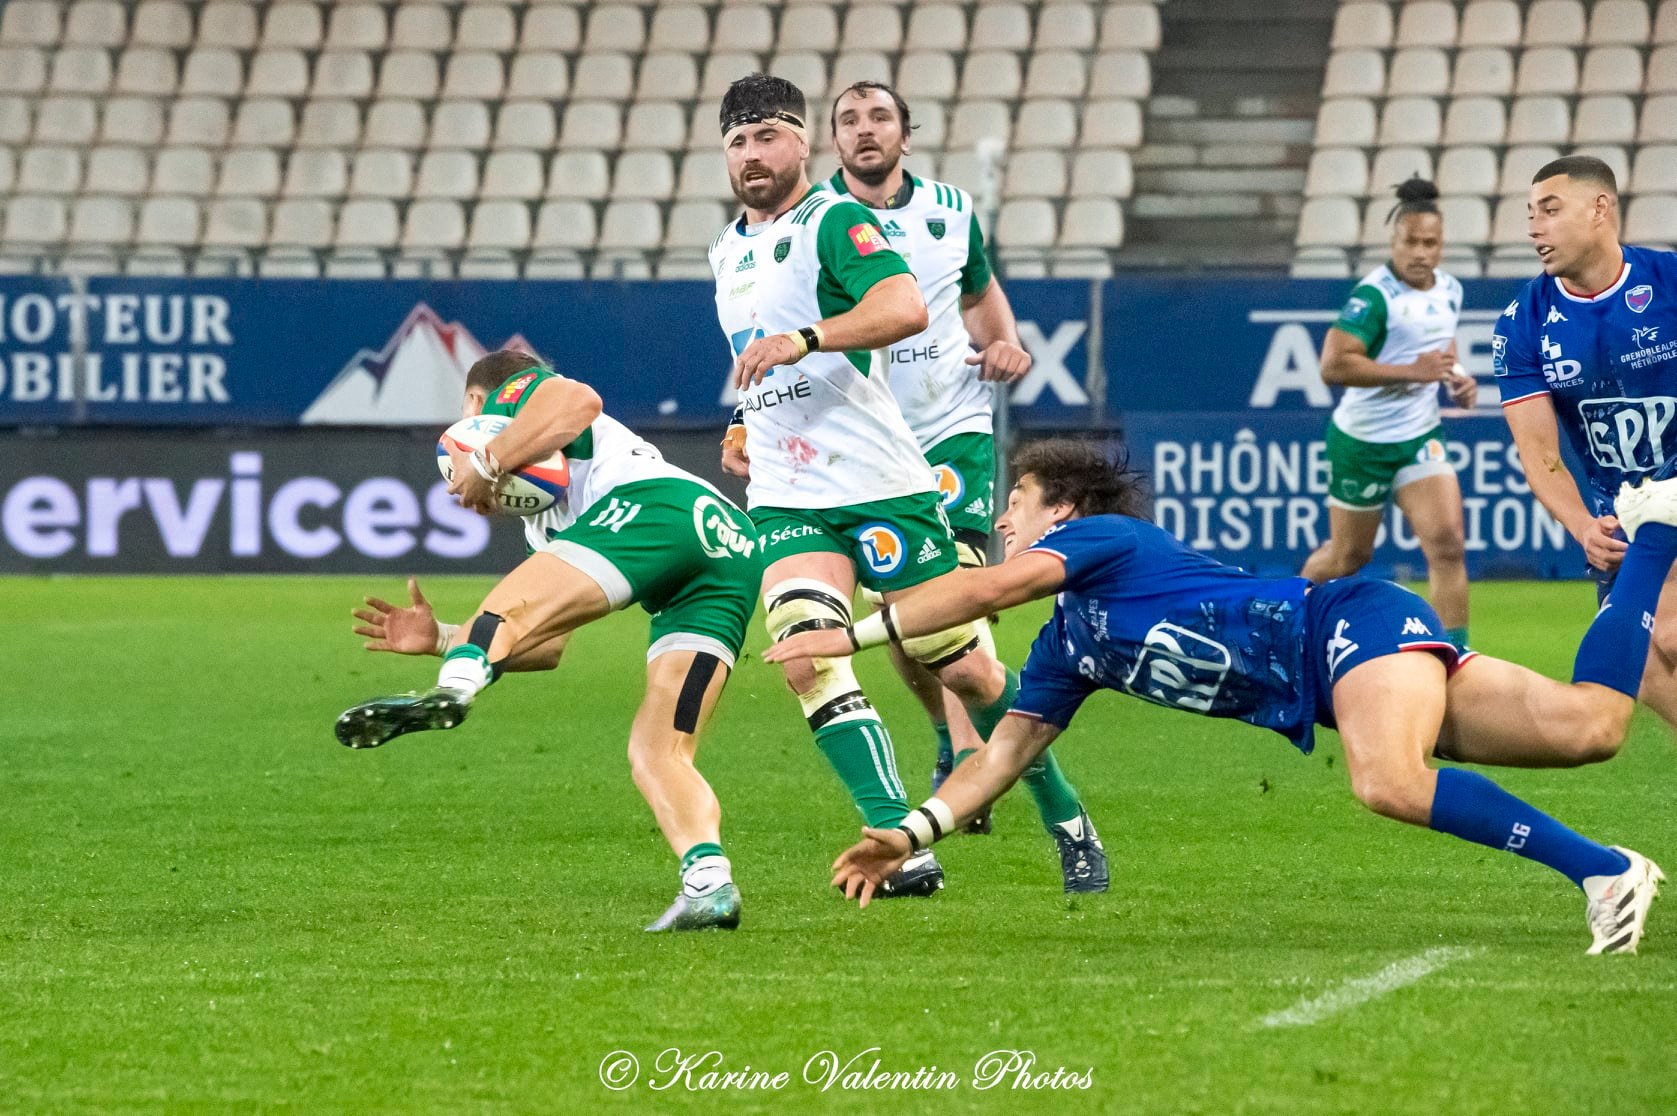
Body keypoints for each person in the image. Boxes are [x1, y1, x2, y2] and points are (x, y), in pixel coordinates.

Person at [768, 439, 1669, 954]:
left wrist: (847, 634)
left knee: (1388, 780)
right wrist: (912, 833)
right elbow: (1001, 755)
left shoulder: (1107, 539)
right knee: (1592, 726)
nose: (1003, 519)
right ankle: (1656, 530)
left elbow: (982, 592)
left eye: (1018, 502)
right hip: (1334, 675)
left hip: (1343, 625)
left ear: (1064, 514)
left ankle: (1598, 873)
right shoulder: (1063, 647)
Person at [709, 73, 1107, 896]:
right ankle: (901, 839)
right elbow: (755, 349)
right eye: (738, 142)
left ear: (800, 144)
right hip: (789, 492)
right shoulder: (726, 248)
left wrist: (806, 338)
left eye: (768, 137)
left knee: (958, 665)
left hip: (882, 482)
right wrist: (747, 416)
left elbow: (902, 306)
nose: (753, 155)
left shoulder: (834, 220)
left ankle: (1066, 815)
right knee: (801, 654)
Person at [334, 350, 763, 933]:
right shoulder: (551, 522)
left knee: (503, 602)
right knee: (658, 751)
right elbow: (546, 645)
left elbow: (579, 400)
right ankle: (709, 884)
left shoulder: (516, 392)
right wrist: (442, 637)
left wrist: (485, 462)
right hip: (725, 550)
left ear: (475, 405)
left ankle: (454, 690)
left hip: (660, 509)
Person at [816, 78, 1098, 859]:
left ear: (906, 135)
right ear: (833, 143)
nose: (864, 130)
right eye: (848, 121)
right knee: (911, 616)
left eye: (879, 118)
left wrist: (1004, 342)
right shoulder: (815, 225)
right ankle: (952, 735)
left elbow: (981, 298)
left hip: (951, 430)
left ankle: (981, 753)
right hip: (865, 445)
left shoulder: (949, 210)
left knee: (947, 605)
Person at [1495, 154, 1677, 729]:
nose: (1534, 229)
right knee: (1644, 667)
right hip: (1619, 521)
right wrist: (1581, 527)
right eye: (1530, 214)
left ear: (1601, 209)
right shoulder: (1522, 322)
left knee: (1670, 629)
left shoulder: (1669, 284)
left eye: (1550, 210)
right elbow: (1540, 454)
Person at [1302, 177, 1477, 648]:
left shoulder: (1450, 290)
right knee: (1348, 557)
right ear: (1393, 242)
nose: (1420, 252)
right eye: (1411, 242)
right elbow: (1333, 365)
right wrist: (1412, 372)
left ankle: (1453, 659)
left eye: (1431, 243)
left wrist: (1456, 376)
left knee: (1447, 545)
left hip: (1419, 435)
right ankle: (1288, 618)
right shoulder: (1374, 296)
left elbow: (1440, 345)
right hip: (1362, 442)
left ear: (1442, 246)